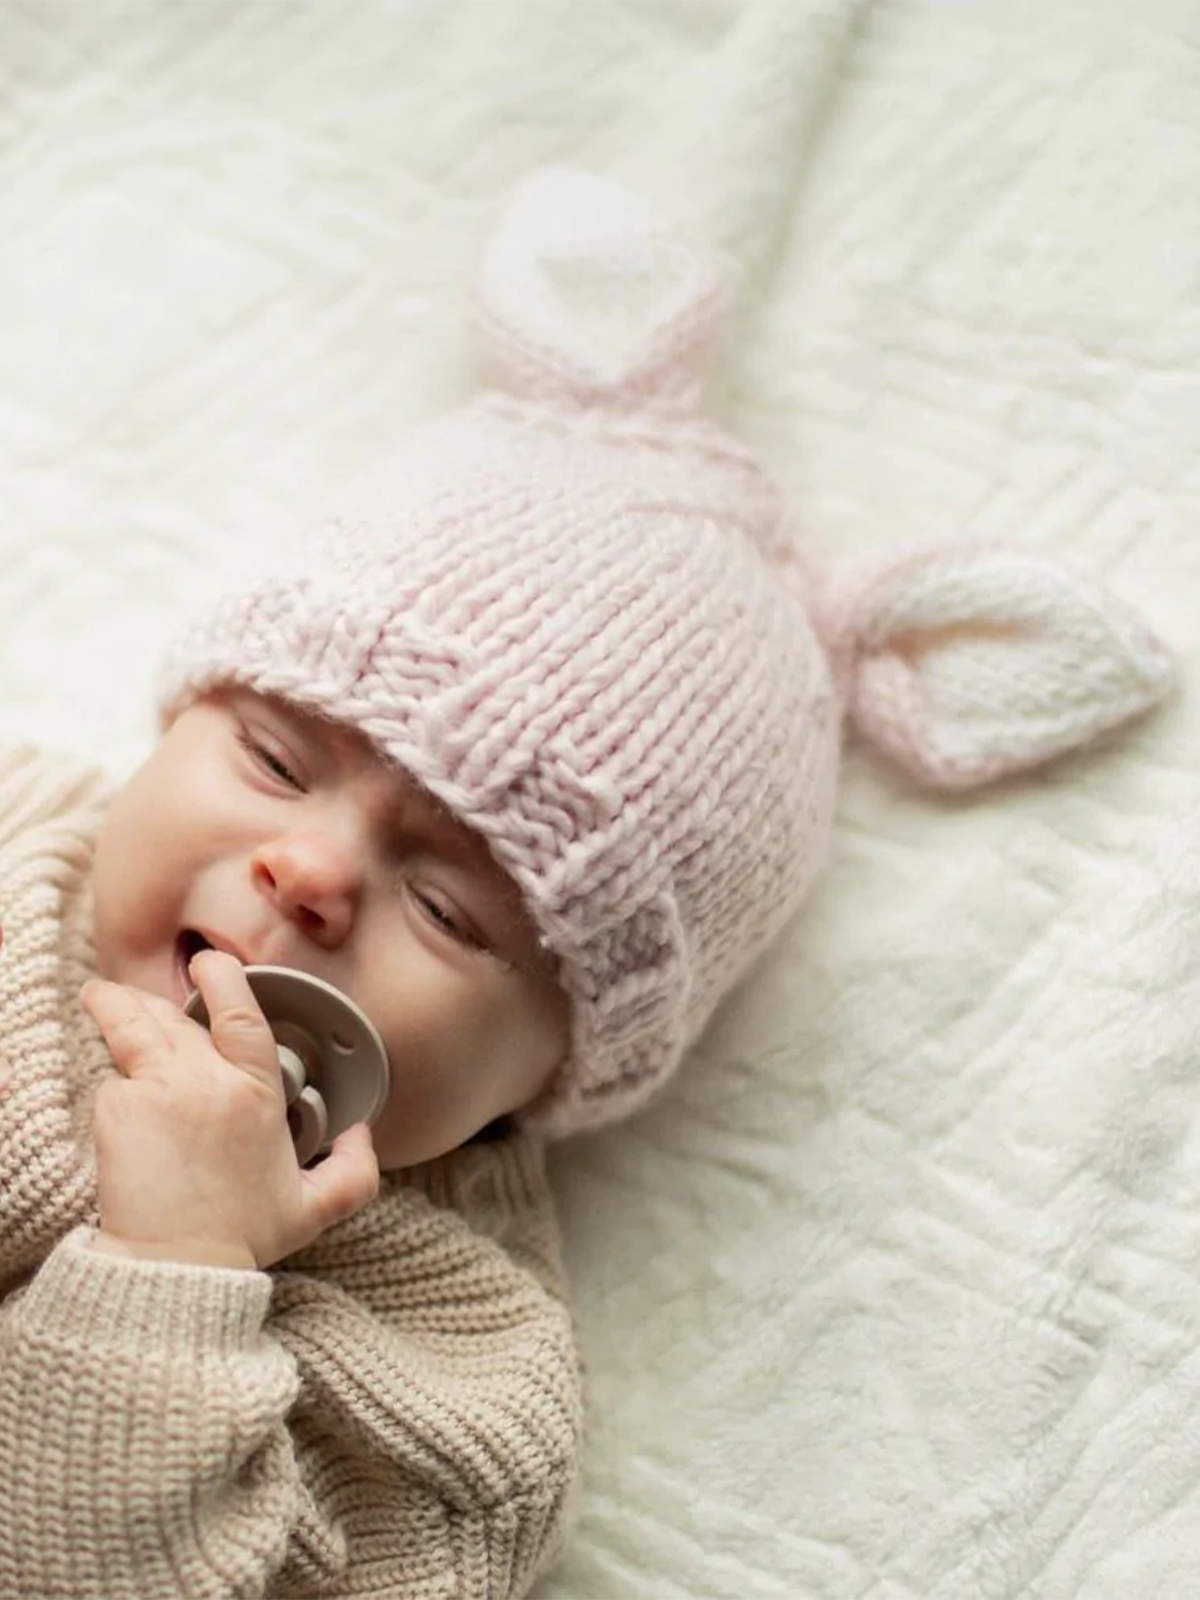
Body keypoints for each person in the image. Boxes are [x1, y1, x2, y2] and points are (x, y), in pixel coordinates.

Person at [0, 168, 1174, 1599]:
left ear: (563, 1067)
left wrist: (174, 1266)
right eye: (270, 754)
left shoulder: (460, 1381)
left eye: (450, 909)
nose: (307, 873)